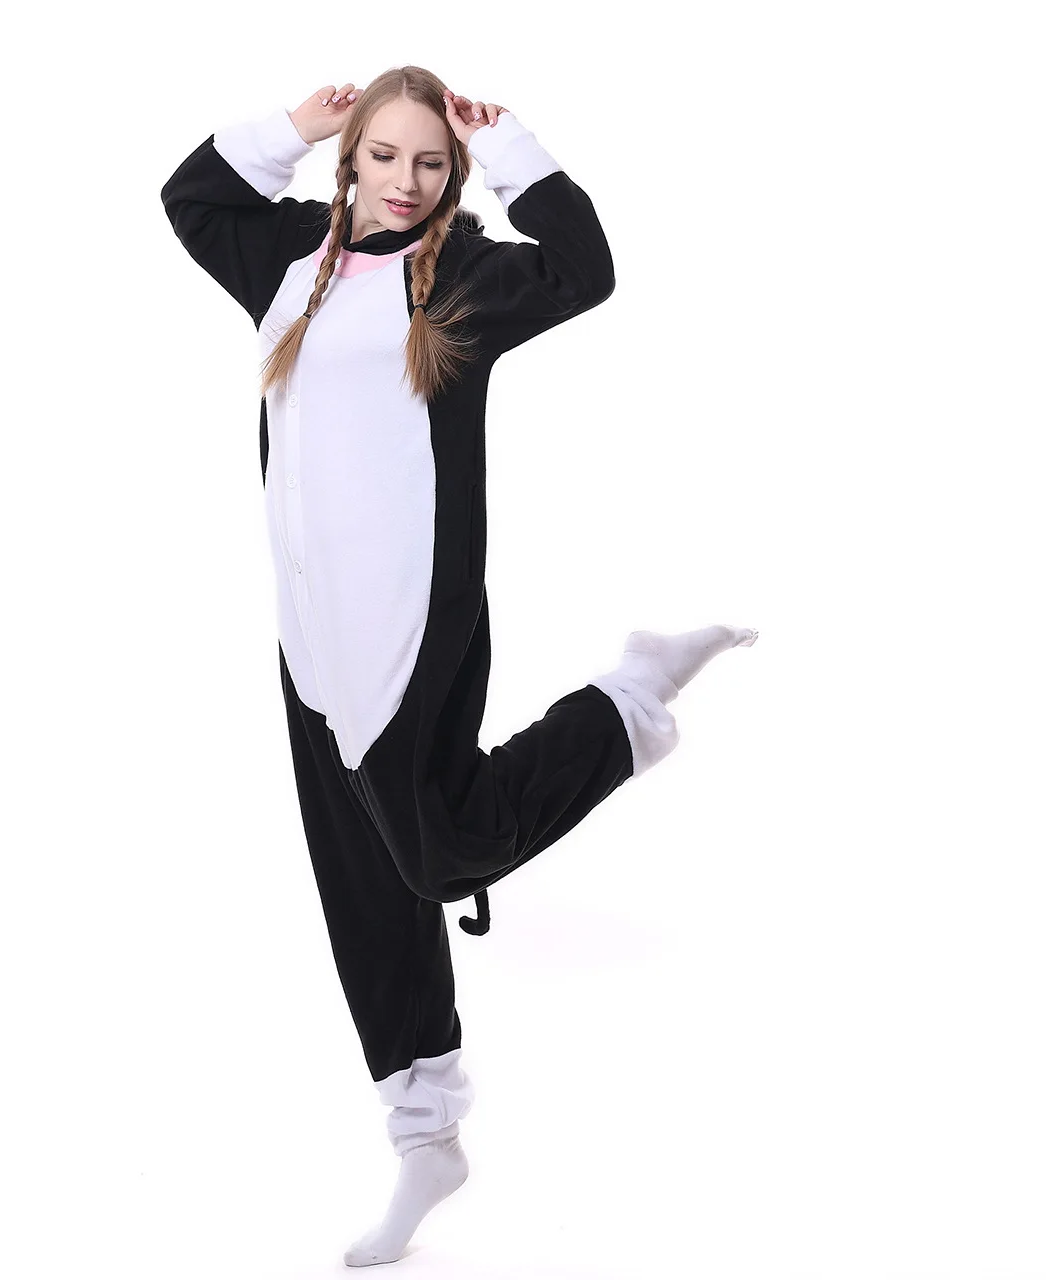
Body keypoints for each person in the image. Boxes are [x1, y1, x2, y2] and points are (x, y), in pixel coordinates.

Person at [161, 65, 759, 1268]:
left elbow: (583, 267)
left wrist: (519, 145)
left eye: (430, 162)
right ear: (351, 160)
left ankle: (628, 701)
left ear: (454, 173)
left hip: (408, 621)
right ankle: (424, 1132)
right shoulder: (285, 260)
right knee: (363, 888)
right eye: (382, 156)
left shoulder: (461, 282)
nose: (404, 180)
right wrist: (294, 125)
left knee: (436, 850)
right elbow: (190, 197)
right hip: (309, 631)